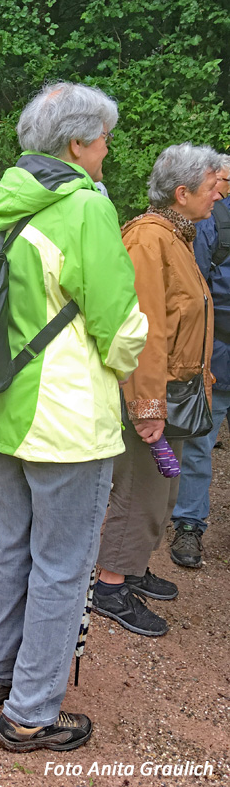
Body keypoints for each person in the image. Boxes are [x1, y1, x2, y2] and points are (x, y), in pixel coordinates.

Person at [0, 82, 148, 753]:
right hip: (62, 420)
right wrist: (135, 358)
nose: (106, 154)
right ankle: (30, 712)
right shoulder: (86, 209)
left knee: (16, 546)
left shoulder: (1, 200)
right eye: (102, 142)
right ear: (76, 145)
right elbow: (117, 325)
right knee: (63, 564)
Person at [94, 143, 220, 635]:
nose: (219, 195)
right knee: (142, 490)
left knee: (165, 489)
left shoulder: (178, 235)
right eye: (212, 187)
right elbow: (143, 331)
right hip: (156, 396)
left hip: (179, 393)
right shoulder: (149, 240)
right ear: (182, 192)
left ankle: (133, 565)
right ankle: (109, 585)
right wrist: (148, 407)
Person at [166, 155, 230, 568]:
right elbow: (195, 288)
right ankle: (189, 524)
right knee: (198, 443)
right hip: (220, 353)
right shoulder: (211, 219)